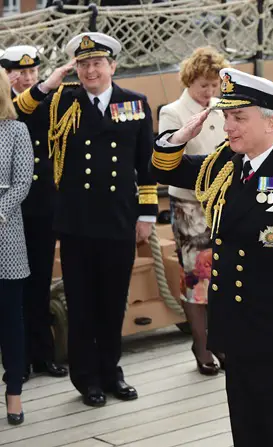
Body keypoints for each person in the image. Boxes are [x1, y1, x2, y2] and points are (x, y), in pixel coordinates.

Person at [150, 68, 273, 447]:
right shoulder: (227, 163)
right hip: (237, 328)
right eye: (227, 117)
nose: (228, 126)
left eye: (239, 118)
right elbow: (166, 168)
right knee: (247, 428)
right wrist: (179, 138)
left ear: (272, 122)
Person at [13, 32, 158, 407]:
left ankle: (112, 373)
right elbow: (19, 111)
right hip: (76, 222)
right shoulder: (62, 101)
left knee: (113, 301)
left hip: (119, 219)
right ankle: (86, 379)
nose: (90, 70)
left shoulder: (134, 103)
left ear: (112, 66)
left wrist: (146, 215)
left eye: (97, 63)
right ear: (74, 69)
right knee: (81, 303)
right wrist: (46, 83)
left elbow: (146, 165)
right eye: (82, 64)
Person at [158, 46, 229, 376]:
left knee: (224, 277)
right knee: (197, 278)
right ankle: (202, 345)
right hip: (190, 206)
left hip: (225, 205)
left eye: (215, 85)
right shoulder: (173, 112)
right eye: (204, 85)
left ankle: (221, 341)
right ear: (190, 80)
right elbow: (170, 160)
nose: (210, 92)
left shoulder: (223, 108)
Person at [1, 45, 68, 382]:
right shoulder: (9, 104)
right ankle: (18, 358)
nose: (27, 77)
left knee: (40, 281)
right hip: (10, 210)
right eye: (19, 72)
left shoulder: (50, 102)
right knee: (14, 286)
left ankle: (43, 354)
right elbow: (18, 110)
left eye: (32, 72)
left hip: (42, 204)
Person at [0, 67, 34, 425]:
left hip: (6, 237)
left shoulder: (16, 130)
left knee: (11, 320)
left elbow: (22, 182)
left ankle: (14, 393)